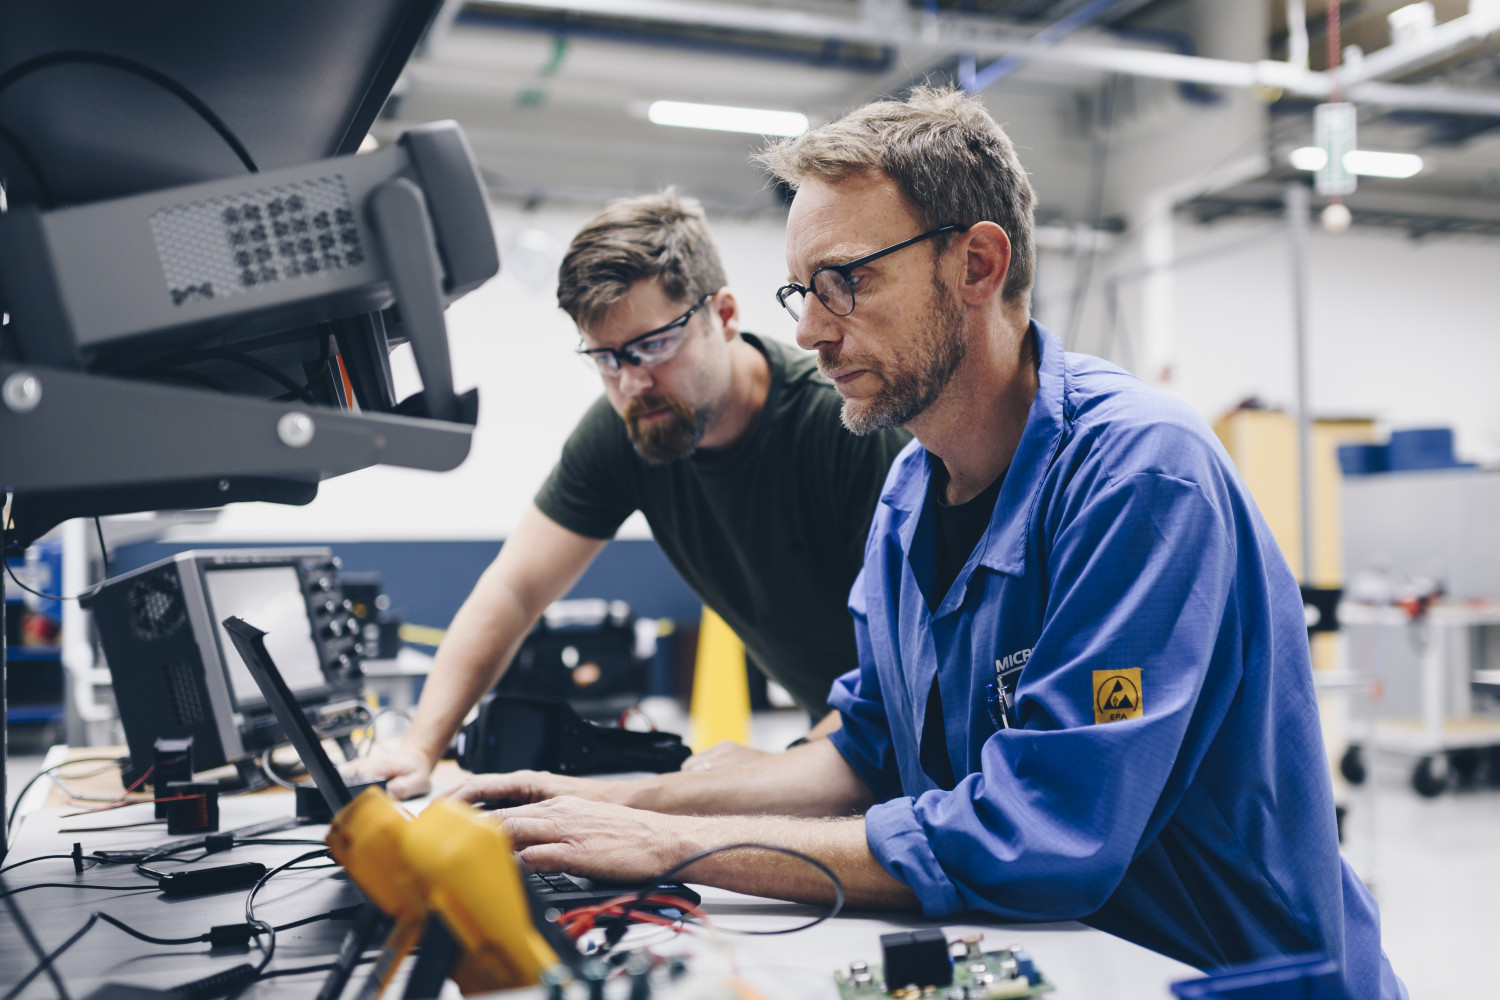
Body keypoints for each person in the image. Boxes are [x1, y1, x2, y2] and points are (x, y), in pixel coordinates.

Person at [446, 88, 1406, 998]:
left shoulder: (1140, 479)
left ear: (978, 265)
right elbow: (864, 753)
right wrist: (618, 806)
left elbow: (1043, 837)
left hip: (1222, 973)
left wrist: (668, 847)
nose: (814, 331)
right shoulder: (909, 497)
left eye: (845, 283)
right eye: (801, 292)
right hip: (1077, 966)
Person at [349, 190, 910, 798]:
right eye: (606, 358)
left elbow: (897, 677)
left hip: (918, 752)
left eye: (654, 345)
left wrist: (776, 770)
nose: (633, 381)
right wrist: (419, 749)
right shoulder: (633, 426)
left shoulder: (846, 428)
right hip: (833, 748)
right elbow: (515, 589)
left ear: (722, 316)